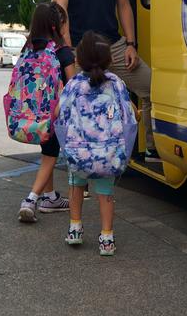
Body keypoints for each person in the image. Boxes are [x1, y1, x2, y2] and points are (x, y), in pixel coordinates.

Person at [51, 0, 159, 162]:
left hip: (114, 46)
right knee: (79, 106)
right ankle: (80, 169)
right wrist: (67, 53)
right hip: (79, 50)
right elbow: (59, 10)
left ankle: (154, 148)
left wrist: (131, 43)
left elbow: (123, 5)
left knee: (154, 89)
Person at [57, 31, 137, 256]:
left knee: (76, 187)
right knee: (106, 194)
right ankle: (107, 238)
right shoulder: (116, 84)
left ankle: (75, 229)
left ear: (78, 60)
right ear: (109, 59)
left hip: (78, 153)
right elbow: (129, 116)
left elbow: (60, 114)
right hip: (108, 154)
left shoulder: (74, 84)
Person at [17, 2, 74, 223]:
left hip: (31, 112)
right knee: (51, 155)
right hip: (54, 114)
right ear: (57, 26)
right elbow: (72, 84)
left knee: (46, 151)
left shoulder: (28, 48)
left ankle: (50, 198)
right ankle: (30, 200)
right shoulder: (62, 51)